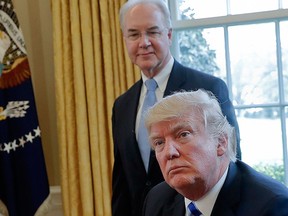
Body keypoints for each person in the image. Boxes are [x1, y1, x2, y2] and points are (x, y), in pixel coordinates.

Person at [112, 0, 241, 215]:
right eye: (134, 34)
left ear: (169, 35)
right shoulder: (122, 105)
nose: (144, 42)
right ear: (125, 39)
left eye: (153, 32)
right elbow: (122, 181)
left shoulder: (208, 88)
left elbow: (232, 161)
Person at [143, 89, 288, 216]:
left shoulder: (272, 206)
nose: (169, 152)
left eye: (183, 135)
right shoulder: (157, 200)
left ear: (221, 142)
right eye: (159, 142)